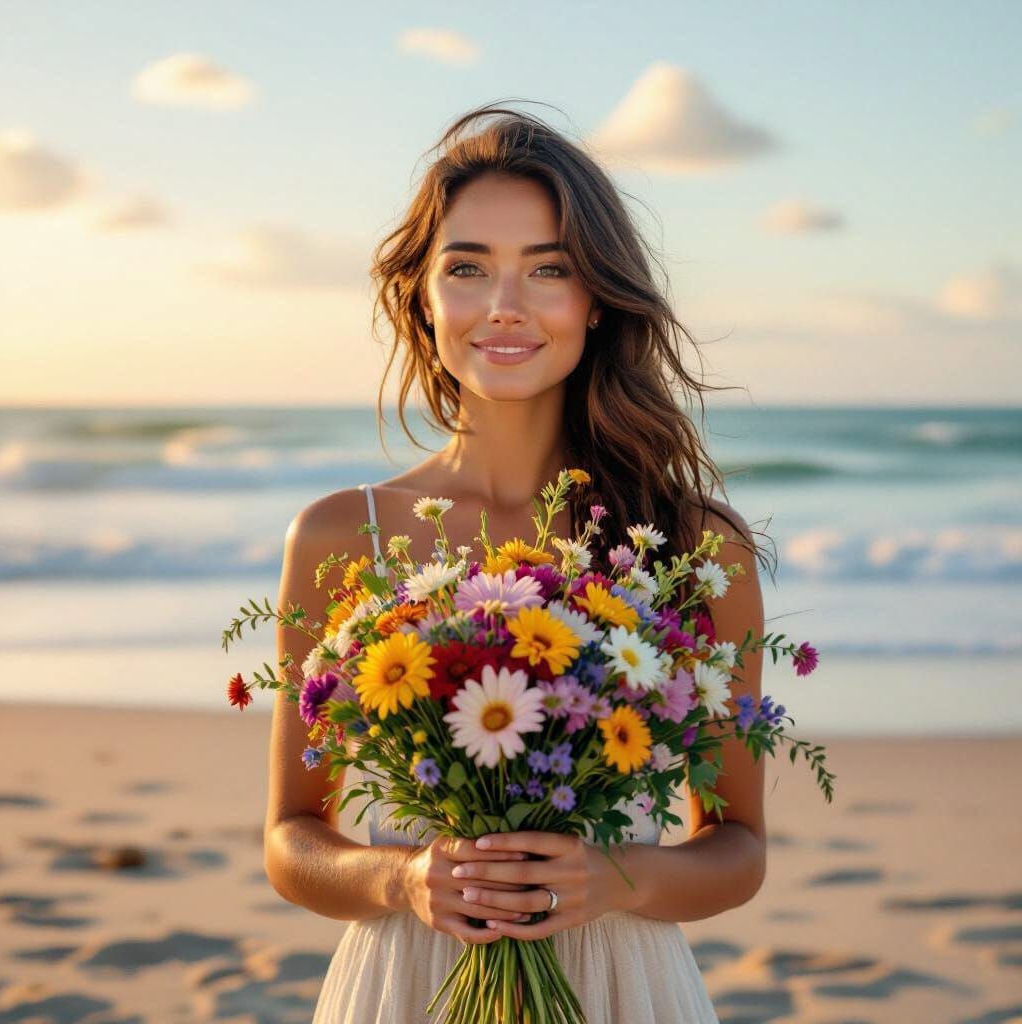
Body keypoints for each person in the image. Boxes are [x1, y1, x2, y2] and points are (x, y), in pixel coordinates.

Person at [264, 102, 774, 1024]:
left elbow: (736, 849)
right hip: (406, 984)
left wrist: (616, 877)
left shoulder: (695, 546)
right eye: (468, 268)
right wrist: (405, 879)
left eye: (549, 269)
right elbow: (291, 842)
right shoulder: (344, 538)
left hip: (623, 985)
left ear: (597, 298)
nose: (504, 305)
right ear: (422, 294)